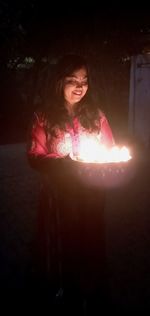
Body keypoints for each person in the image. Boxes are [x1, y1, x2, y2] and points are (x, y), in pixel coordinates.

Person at [27, 53, 115, 314]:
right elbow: (34, 156)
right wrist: (61, 163)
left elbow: (109, 150)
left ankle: (94, 293)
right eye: (72, 80)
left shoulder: (97, 116)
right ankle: (64, 294)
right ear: (58, 82)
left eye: (85, 80)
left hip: (92, 196)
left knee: (92, 244)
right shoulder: (43, 117)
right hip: (58, 198)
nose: (80, 86)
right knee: (63, 248)